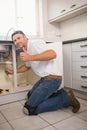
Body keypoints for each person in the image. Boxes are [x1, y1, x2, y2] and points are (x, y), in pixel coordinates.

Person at [5, 30, 80, 115]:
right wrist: (13, 71)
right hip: (44, 79)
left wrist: (30, 57)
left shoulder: (35, 43)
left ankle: (66, 98)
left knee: (29, 109)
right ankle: (59, 94)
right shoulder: (27, 50)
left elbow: (52, 54)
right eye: (15, 40)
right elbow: (26, 67)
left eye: (19, 38)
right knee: (29, 96)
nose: (17, 41)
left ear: (25, 37)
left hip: (53, 79)